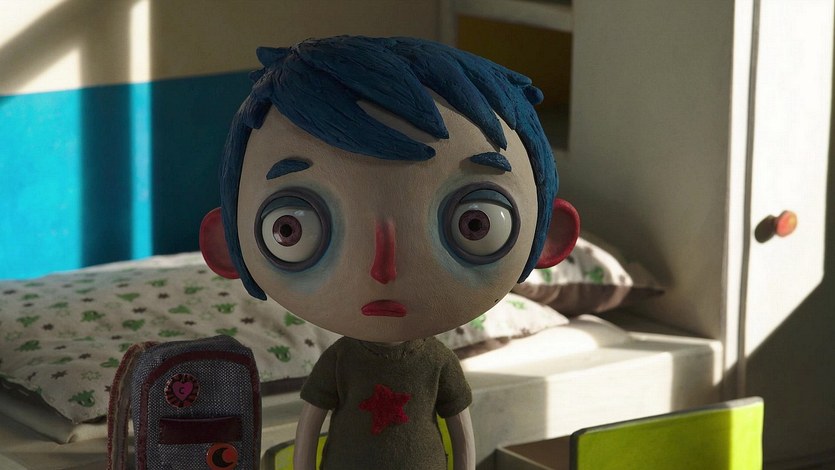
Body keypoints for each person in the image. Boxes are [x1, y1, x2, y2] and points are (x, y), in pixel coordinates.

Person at [200, 36, 579, 470]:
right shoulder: (341, 363)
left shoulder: (435, 363)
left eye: (475, 224)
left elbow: (460, 430)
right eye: (291, 229)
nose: (383, 268)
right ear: (225, 245)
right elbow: (310, 425)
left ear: (550, 237)